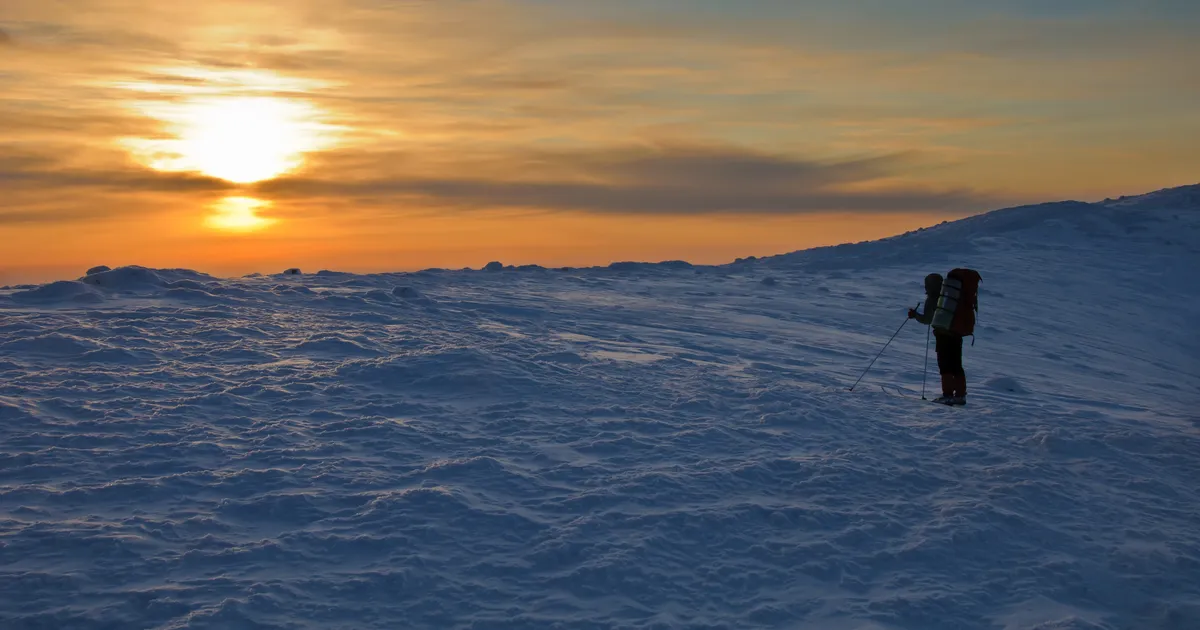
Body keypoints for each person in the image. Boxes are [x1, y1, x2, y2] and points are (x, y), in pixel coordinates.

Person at [909, 273, 967, 405]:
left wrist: (915, 315)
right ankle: (960, 395)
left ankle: (947, 395)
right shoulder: (951, 296)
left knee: (945, 365)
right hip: (957, 334)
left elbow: (927, 319)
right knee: (957, 365)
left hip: (943, 335)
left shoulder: (933, 298)